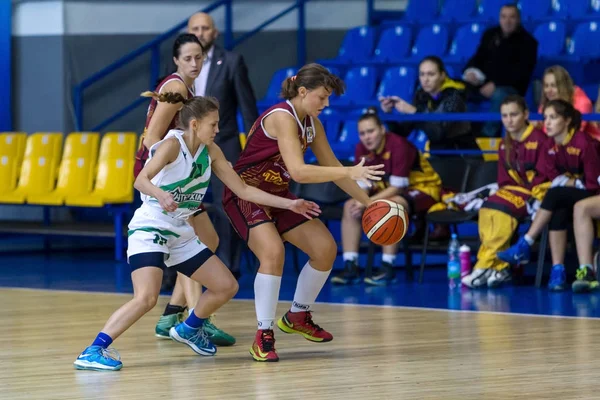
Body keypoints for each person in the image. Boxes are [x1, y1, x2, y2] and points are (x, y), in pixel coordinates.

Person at [74, 94, 321, 371]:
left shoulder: (211, 152)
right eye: (213, 124)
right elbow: (140, 180)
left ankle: (190, 328)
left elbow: (243, 190)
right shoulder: (171, 146)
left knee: (227, 286)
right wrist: (161, 195)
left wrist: (292, 203)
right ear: (194, 124)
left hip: (180, 230)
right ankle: (94, 349)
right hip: (151, 225)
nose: (218, 130)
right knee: (146, 298)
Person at [222, 63, 386, 362]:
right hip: (245, 194)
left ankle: (297, 315)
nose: (326, 104)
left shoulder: (313, 124)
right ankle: (263, 334)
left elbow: (336, 172)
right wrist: (351, 169)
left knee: (325, 249)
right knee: (272, 253)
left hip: (278, 196)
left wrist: (369, 203)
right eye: (322, 97)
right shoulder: (282, 118)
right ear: (302, 92)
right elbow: (298, 171)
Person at [132, 33, 234, 346]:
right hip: (164, 171)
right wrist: (171, 175)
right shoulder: (176, 87)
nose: (194, 63)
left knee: (209, 239)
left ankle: (173, 314)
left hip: (180, 169)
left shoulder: (186, 89)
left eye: (198, 57)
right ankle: (195, 320)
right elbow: (152, 141)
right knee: (195, 242)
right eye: (187, 58)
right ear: (176, 60)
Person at [498, 99, 600, 291]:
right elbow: (552, 175)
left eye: (553, 118)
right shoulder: (550, 145)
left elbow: (593, 184)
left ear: (567, 120)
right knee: (558, 209)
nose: (548, 122)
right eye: (545, 118)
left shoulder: (585, 143)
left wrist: (570, 182)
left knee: (555, 195)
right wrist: (571, 182)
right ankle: (558, 270)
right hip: (575, 192)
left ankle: (525, 243)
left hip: (595, 191)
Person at [331, 108, 441, 286]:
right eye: (362, 133)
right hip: (388, 191)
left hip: (424, 189)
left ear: (382, 129)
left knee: (390, 206)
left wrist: (368, 202)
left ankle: (388, 267)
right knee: (350, 205)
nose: (367, 137)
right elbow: (363, 186)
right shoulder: (361, 149)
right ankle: (350, 266)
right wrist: (361, 201)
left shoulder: (399, 145)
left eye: (371, 131)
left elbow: (397, 188)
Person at [188, 12, 258, 279]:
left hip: (225, 141)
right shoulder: (180, 67)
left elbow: (247, 107)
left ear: (214, 32)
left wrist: (252, 148)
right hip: (189, 145)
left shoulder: (231, 61)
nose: (201, 32)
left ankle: (229, 265)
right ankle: (181, 267)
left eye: (205, 28)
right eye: (195, 28)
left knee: (226, 203)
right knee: (183, 203)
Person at [461, 95, 555, 289]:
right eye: (504, 115)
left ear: (526, 114)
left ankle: (483, 265)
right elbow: (504, 181)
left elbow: (544, 178)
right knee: (488, 206)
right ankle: (498, 267)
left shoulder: (541, 140)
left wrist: (521, 195)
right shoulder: (505, 143)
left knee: (501, 209)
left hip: (537, 195)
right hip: (513, 192)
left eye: (513, 114)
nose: (509, 120)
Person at [463, 4, 538, 137]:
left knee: (499, 94)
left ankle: (486, 136)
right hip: (483, 83)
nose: (507, 21)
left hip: (510, 88)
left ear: (519, 19)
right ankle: (459, 134)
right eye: (503, 17)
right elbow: (478, 57)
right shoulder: (490, 35)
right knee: (457, 87)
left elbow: (522, 73)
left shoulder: (529, 42)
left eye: (512, 17)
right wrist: (470, 71)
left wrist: (495, 84)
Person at [380, 56, 478, 153]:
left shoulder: (454, 95)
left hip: (462, 155)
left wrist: (414, 112)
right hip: (438, 154)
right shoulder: (421, 95)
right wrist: (389, 114)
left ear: (442, 75)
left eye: (431, 74)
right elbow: (402, 133)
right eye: (422, 74)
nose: (425, 79)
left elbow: (438, 133)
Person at [537, 65, 600, 139]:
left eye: (553, 86)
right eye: (546, 86)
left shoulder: (582, 103)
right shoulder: (545, 105)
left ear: (563, 86)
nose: (549, 90)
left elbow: (573, 134)